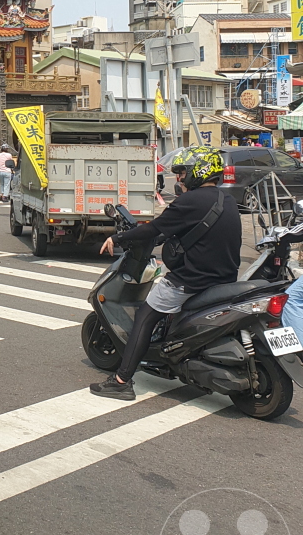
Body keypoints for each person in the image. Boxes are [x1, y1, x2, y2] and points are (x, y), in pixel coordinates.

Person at [89, 147, 241, 401]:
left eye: (182, 172)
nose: (179, 178)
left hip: (192, 280)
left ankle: (121, 381)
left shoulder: (190, 201)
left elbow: (154, 228)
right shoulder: (228, 199)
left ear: (198, 172)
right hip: (224, 279)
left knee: (145, 316)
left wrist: (118, 238)